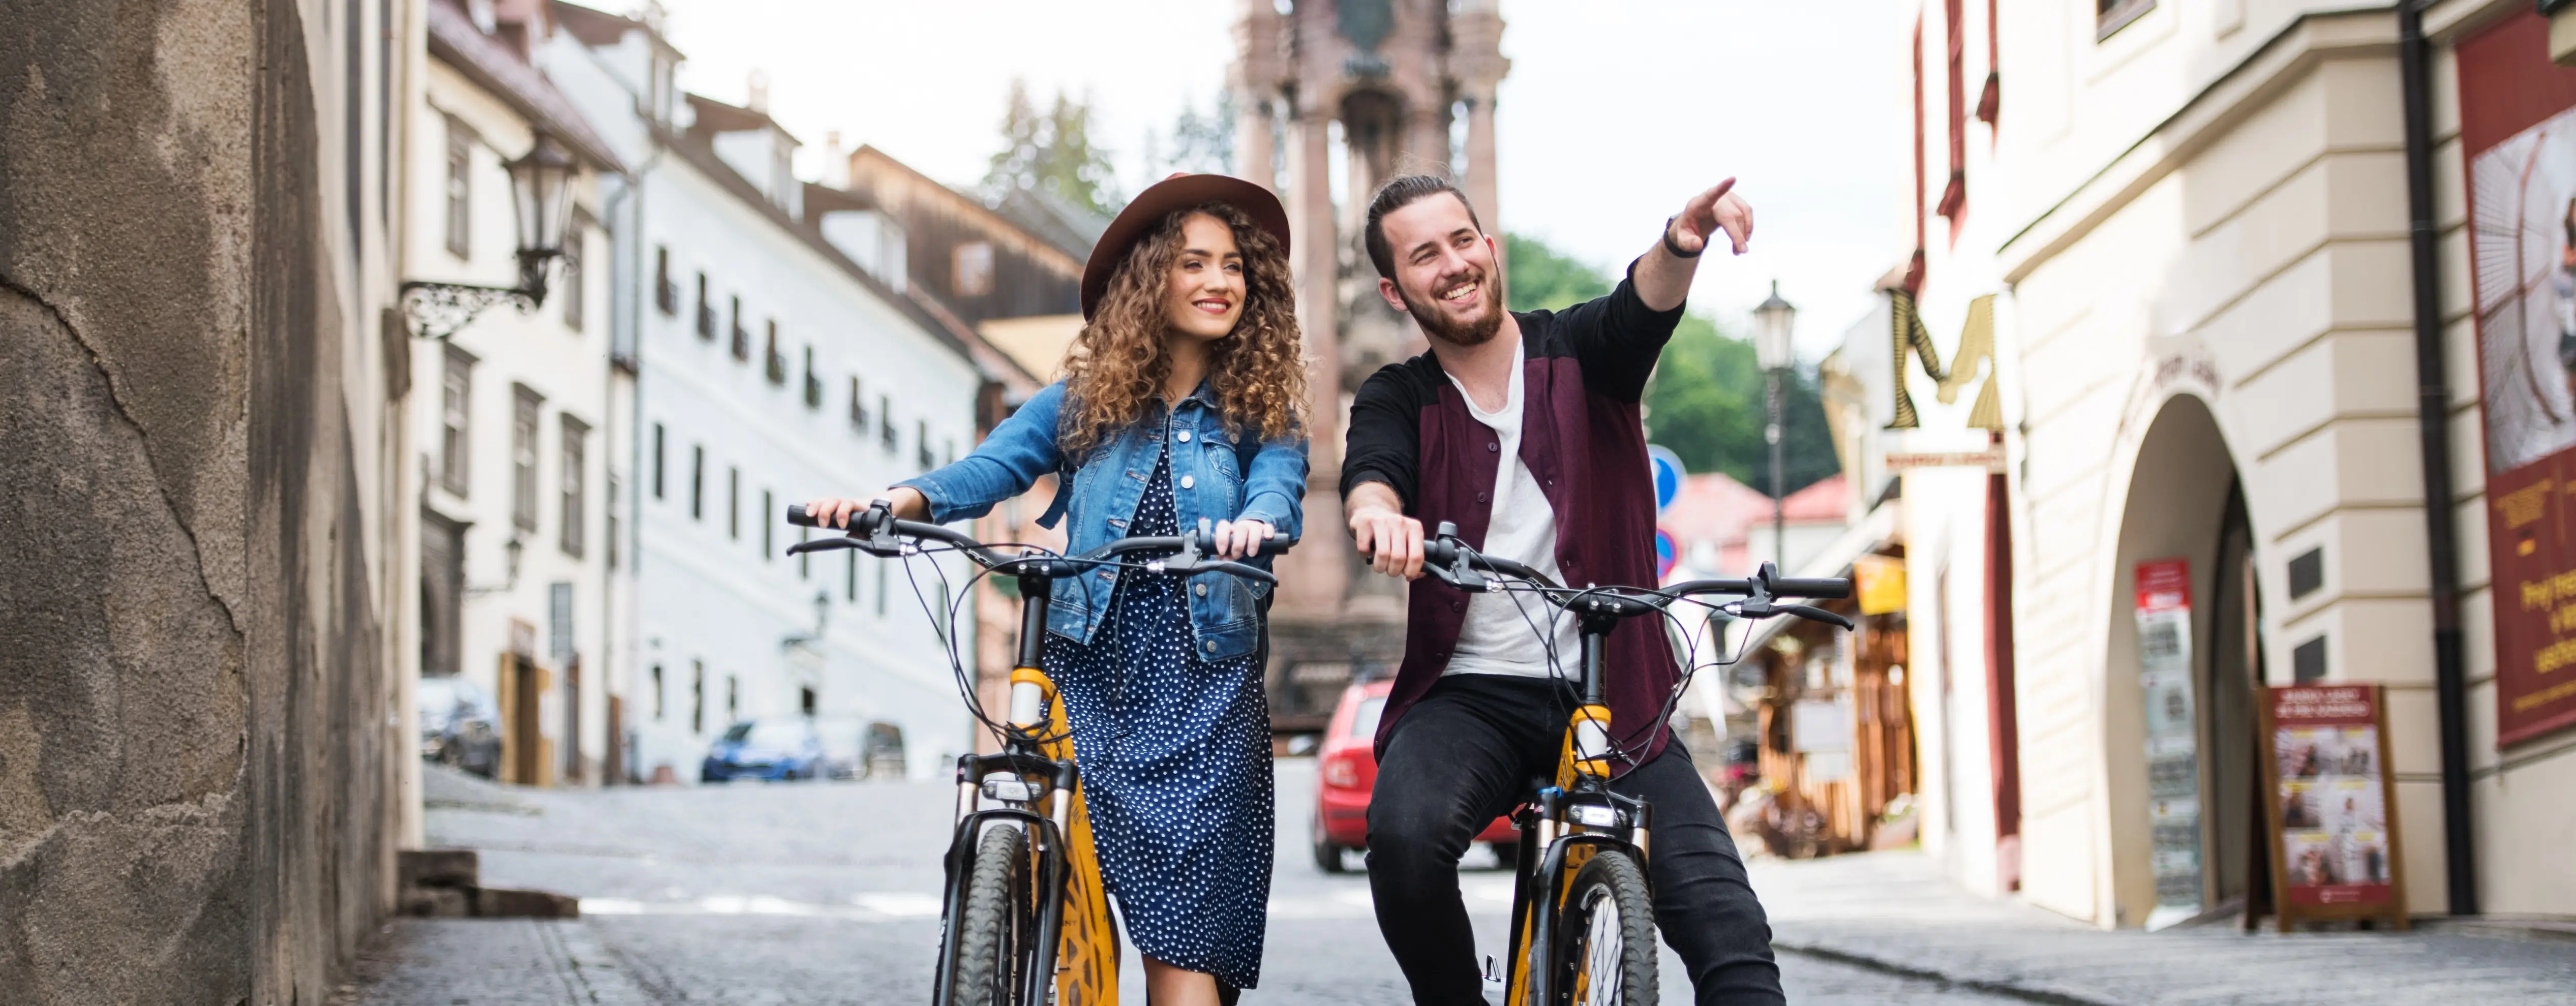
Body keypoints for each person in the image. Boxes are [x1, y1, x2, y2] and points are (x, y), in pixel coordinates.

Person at [805, 173, 1309, 1006]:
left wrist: (1253, 523)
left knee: (1180, 951)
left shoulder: (1261, 410)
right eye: (1193, 262)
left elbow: (1278, 489)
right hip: (1088, 667)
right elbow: (991, 468)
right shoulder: (1084, 399)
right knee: (1059, 880)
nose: (1219, 281)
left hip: (1205, 687)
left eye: (1232, 265)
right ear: (1151, 279)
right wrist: (894, 502)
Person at [1338, 172, 1776, 1005]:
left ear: (1489, 249)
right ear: (1397, 290)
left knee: (1731, 932)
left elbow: (1638, 309)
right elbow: (1372, 472)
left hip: (1617, 699)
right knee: (1402, 840)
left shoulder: (1581, 352)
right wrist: (1378, 516)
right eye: (1425, 255)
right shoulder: (1402, 393)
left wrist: (1680, 242)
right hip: (1467, 697)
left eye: (1462, 241)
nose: (1453, 264)